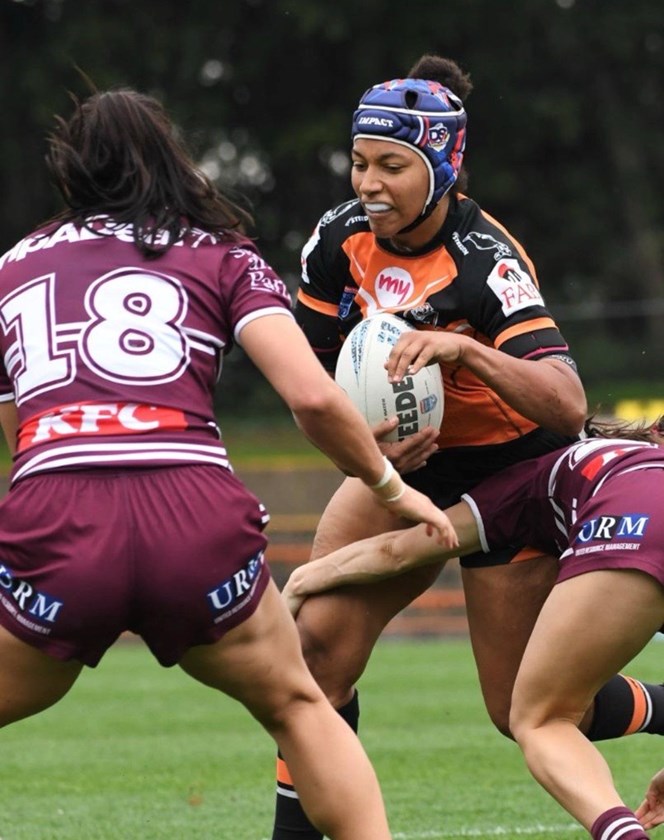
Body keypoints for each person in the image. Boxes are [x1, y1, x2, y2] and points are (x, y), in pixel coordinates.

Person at [0, 86, 459, 839]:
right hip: (193, 514)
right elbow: (311, 398)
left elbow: (20, 440)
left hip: (60, 513)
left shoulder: (13, 266)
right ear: (169, 160)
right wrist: (389, 485)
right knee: (299, 706)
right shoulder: (221, 251)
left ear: (71, 169)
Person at [271, 52, 664, 839]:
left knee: (524, 708)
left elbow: (567, 404)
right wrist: (364, 449)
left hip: (513, 474)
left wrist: (470, 352)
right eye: (358, 163)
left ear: (445, 166)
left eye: (392, 165)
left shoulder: (487, 261)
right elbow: (309, 380)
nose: (369, 183)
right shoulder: (336, 239)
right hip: (398, 465)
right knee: (314, 657)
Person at [282, 416, 664, 839]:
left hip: (629, 529)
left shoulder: (540, 471)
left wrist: (303, 579)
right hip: (638, 531)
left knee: (541, 721)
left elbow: (399, 552)